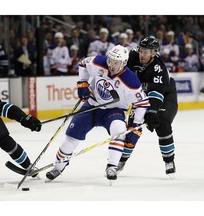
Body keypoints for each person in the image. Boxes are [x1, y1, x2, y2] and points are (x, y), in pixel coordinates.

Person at [45, 45, 150, 182]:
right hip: (92, 106)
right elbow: (83, 64)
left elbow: (142, 103)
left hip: (114, 111)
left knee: (119, 131)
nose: (111, 65)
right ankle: (58, 167)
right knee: (70, 137)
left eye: (116, 62)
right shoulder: (100, 62)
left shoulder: (131, 80)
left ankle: (112, 166)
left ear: (124, 63)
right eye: (110, 61)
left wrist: (135, 125)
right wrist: (82, 83)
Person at [117, 36, 178, 177]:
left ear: (154, 53)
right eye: (141, 50)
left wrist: (151, 112)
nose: (142, 54)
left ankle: (169, 161)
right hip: (142, 96)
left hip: (165, 96)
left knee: (162, 124)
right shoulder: (132, 56)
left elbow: (156, 93)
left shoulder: (159, 68)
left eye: (146, 52)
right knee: (132, 127)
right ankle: (121, 160)